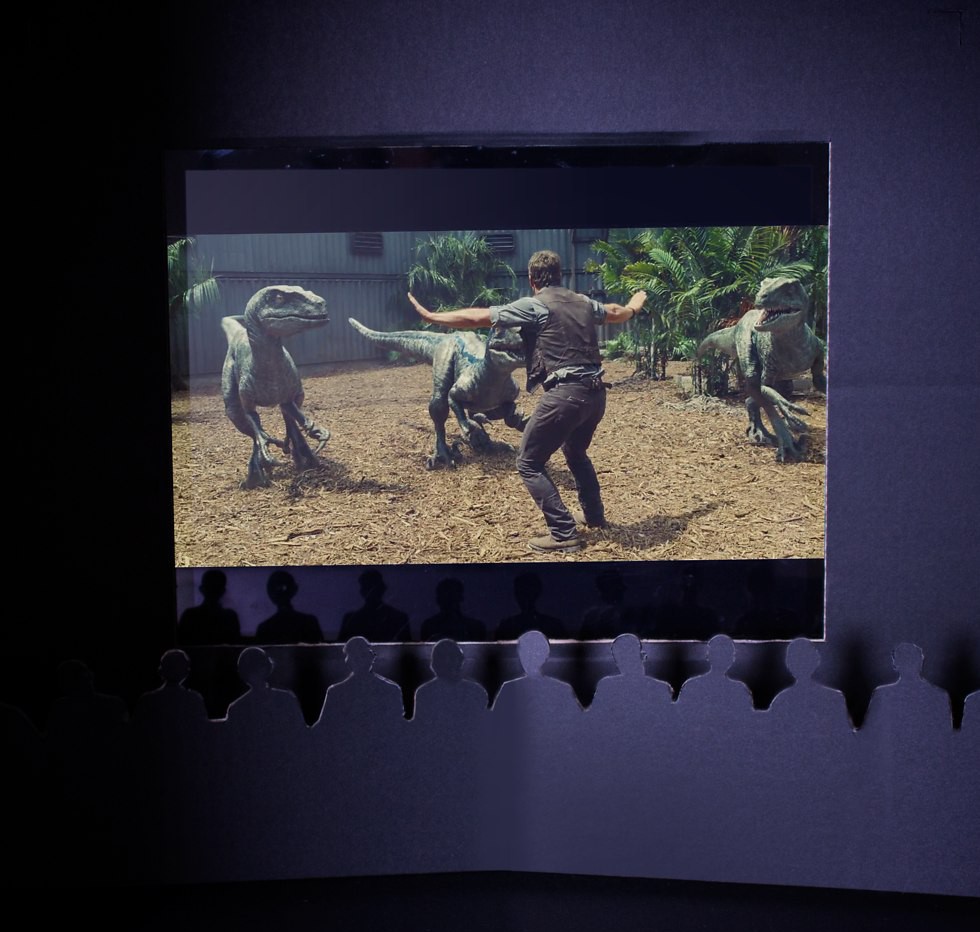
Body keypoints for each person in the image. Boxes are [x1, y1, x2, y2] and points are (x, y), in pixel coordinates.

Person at [409, 249, 646, 553]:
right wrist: (634, 307)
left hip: (566, 394)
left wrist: (432, 317)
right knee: (575, 452)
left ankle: (563, 532)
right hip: (596, 395)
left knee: (528, 462)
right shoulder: (583, 301)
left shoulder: (535, 305)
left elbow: (479, 317)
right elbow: (614, 312)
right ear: (559, 276)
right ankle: (594, 516)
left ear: (533, 280)